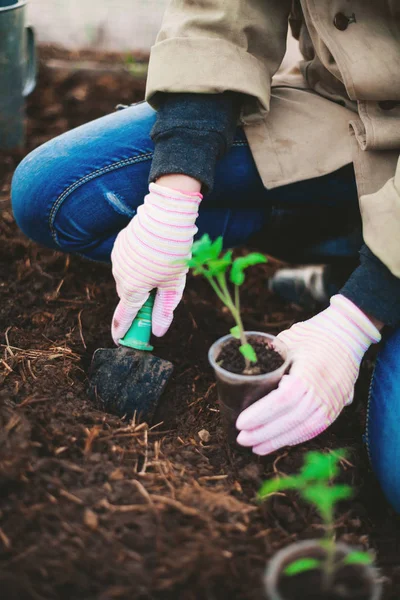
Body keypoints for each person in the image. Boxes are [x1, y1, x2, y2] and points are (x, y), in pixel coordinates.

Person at [11, 2, 400, 511]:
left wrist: (358, 317)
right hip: (339, 114)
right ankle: (331, 243)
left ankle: (370, 268)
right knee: (55, 196)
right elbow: (222, 12)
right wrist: (173, 195)